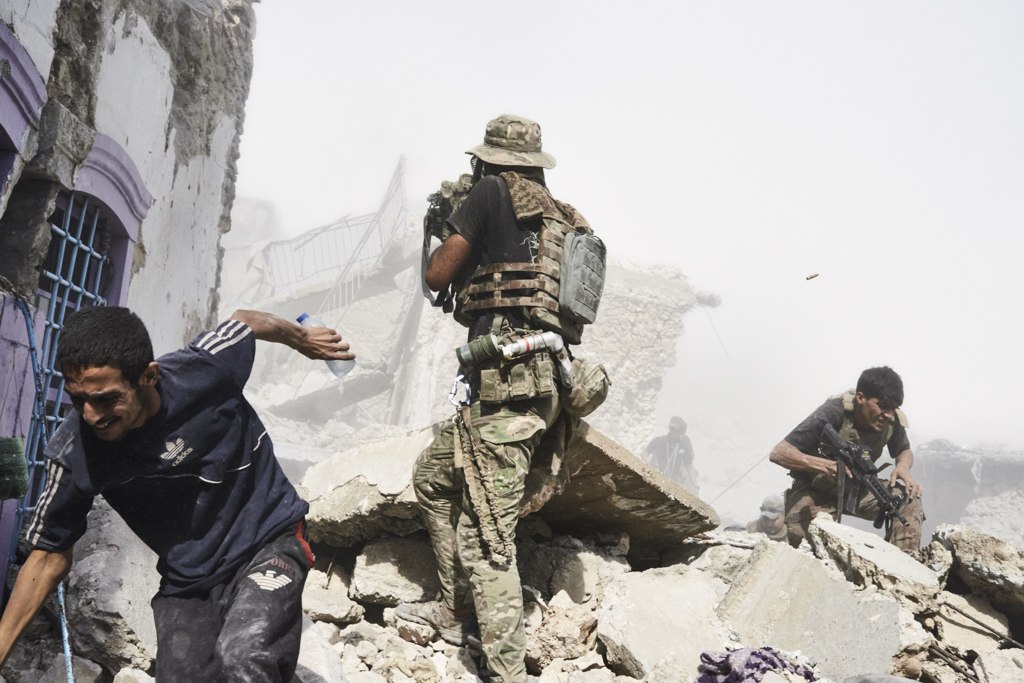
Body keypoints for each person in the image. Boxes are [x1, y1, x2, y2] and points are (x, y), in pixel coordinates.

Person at [0, 306, 354, 681]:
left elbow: (246, 322)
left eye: (106, 398)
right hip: (190, 578)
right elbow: (47, 558)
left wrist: (301, 339)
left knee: (244, 657)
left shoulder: (203, 369)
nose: (90, 415)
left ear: (148, 376)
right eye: (77, 399)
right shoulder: (76, 453)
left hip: (269, 537)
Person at [395, 114, 604, 683]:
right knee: (435, 477)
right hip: (534, 385)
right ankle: (453, 606)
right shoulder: (565, 218)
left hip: (506, 390)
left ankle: (506, 672)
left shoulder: (490, 193)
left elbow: (440, 275)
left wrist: (443, 228)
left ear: (490, 161)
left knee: (487, 539)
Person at [768, 366, 924, 552]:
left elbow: (904, 450)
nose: (888, 414)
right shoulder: (833, 412)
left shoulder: (891, 419)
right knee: (808, 548)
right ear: (860, 398)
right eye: (882, 406)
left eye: (893, 408)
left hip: (857, 487)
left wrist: (903, 466)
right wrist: (823, 466)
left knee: (908, 496)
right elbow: (780, 452)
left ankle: (906, 562)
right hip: (815, 491)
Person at [645, 416, 698, 494]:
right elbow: (644, 453)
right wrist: (649, 466)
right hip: (658, 479)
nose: (674, 433)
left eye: (677, 431)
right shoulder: (659, 441)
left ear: (681, 432)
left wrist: (694, 485)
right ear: (670, 429)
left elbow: (689, 466)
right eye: (672, 429)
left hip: (674, 483)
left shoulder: (684, 446)